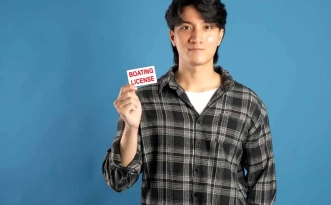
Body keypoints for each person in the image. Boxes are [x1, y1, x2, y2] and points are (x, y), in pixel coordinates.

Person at [102, 0, 277, 204]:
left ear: (220, 35)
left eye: (207, 27)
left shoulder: (248, 104)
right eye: (186, 27)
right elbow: (118, 180)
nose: (197, 38)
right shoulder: (142, 101)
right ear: (173, 36)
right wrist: (131, 128)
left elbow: (263, 185)